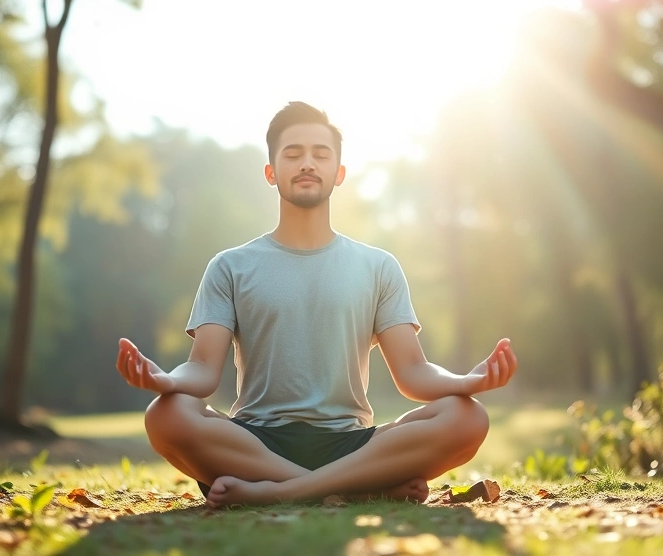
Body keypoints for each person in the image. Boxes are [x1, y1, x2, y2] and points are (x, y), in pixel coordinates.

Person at [114, 101, 519, 508]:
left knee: (468, 417)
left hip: (352, 443)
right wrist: (164, 381)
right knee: (165, 414)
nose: (307, 163)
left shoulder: (378, 266)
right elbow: (202, 371)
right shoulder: (230, 267)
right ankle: (359, 488)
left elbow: (413, 372)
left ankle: (284, 491)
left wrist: (467, 383)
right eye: (293, 154)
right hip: (255, 443)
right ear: (271, 173)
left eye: (320, 154)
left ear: (339, 173)